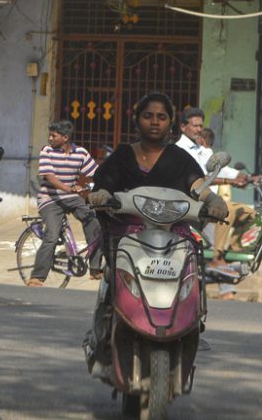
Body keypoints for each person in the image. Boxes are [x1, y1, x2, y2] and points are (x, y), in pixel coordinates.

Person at [84, 93, 228, 375]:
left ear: (171, 123)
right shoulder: (122, 155)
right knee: (113, 277)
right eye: (148, 115)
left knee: (193, 267)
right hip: (126, 234)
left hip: (172, 234)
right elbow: (104, 184)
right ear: (137, 119)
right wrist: (100, 195)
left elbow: (197, 185)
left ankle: (191, 320)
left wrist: (214, 201)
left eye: (161, 117)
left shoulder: (179, 158)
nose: (154, 122)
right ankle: (104, 328)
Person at [27, 119, 102, 286]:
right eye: (50, 134)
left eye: (54, 135)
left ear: (65, 137)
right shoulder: (47, 151)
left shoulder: (80, 153)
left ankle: (95, 269)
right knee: (52, 235)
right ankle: (37, 277)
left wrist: (105, 185)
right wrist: (69, 189)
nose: (50, 138)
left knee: (94, 223)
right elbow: (50, 178)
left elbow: (96, 173)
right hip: (50, 199)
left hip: (72, 198)